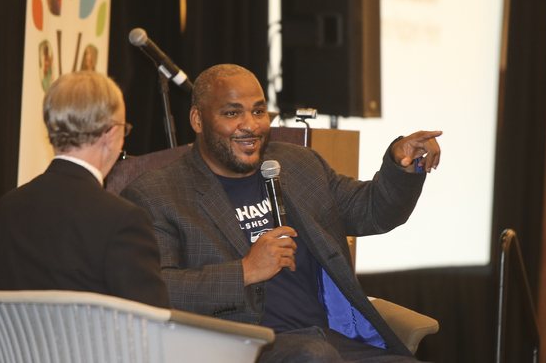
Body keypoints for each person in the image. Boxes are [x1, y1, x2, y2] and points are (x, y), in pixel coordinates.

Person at [121, 64, 441, 361]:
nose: (250, 125)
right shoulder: (158, 194)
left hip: (328, 340)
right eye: (233, 113)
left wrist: (401, 167)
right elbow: (154, 289)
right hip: (240, 348)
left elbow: (372, 211)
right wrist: (246, 270)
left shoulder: (297, 165)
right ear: (197, 120)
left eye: (258, 111)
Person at [0, 71, 169, 308]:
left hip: (16, 346)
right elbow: (153, 327)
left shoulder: (5, 209)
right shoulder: (123, 221)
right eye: (125, 130)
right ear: (112, 134)